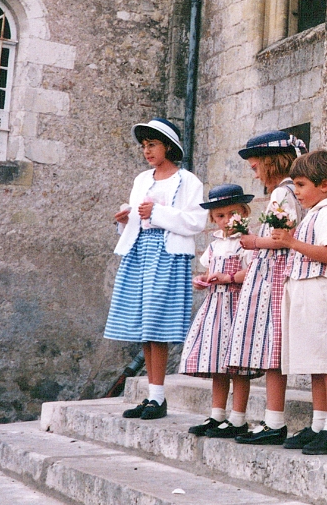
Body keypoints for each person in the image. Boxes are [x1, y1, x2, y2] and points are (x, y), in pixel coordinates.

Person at [105, 117, 208, 420]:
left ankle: (158, 397)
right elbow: (138, 219)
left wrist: (158, 213)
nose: (147, 151)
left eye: (152, 145)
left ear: (168, 147)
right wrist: (126, 220)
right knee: (143, 326)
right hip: (140, 252)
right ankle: (153, 396)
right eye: (144, 146)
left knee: (157, 325)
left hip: (167, 254)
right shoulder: (141, 180)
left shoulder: (189, 181)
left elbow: (195, 222)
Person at [272, 150, 327, 455]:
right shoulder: (314, 213)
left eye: (302, 185)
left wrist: (291, 242)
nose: (297, 192)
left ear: (325, 185)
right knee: (315, 363)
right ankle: (318, 424)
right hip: (304, 288)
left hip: (319, 289)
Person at [227, 131, 301, 445]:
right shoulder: (290, 191)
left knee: (272, 346)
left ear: (271, 163)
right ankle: (272, 419)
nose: (254, 171)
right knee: (272, 349)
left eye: (256, 166)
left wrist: (254, 242)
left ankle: (275, 421)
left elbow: (283, 237)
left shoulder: (283, 194)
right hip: (274, 272)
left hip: (275, 276)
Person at [179, 184, 255, 437]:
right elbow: (209, 272)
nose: (226, 220)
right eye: (220, 216)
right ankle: (217, 414)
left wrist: (228, 277)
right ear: (213, 218)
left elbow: (252, 272)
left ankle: (238, 418)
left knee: (237, 364)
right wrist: (203, 280)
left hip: (237, 308)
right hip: (216, 308)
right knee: (217, 363)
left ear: (244, 213)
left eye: (232, 214)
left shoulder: (246, 243)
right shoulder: (214, 246)